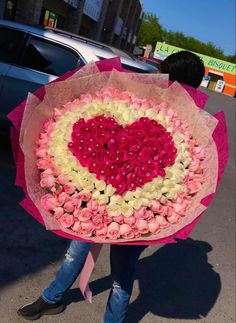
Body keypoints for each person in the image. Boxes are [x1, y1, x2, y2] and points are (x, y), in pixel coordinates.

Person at [17, 50, 205, 322]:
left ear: (170, 77)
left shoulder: (191, 124)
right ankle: (51, 298)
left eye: (161, 72)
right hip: (100, 191)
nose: (156, 76)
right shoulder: (145, 98)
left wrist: (156, 206)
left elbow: (191, 176)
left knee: (122, 272)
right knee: (77, 249)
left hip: (144, 206)